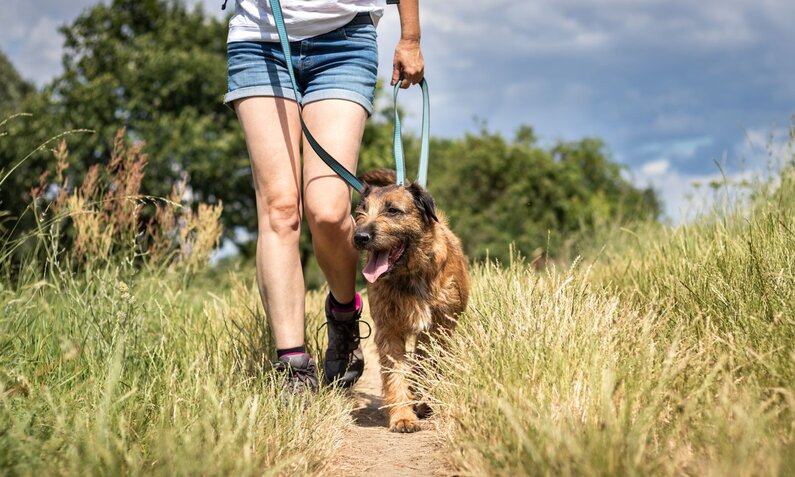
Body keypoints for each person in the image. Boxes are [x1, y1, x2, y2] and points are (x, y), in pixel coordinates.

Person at [223, 0, 425, 393]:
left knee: (329, 211)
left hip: (345, 40)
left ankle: (344, 315)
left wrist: (411, 37)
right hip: (259, 41)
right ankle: (293, 364)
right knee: (280, 209)